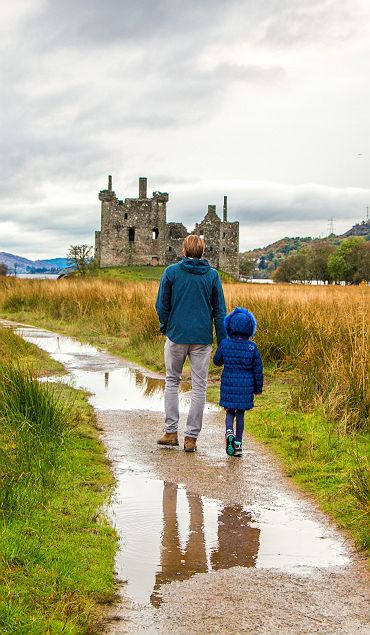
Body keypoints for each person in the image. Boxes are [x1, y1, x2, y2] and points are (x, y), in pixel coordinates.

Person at [155, 235, 226, 452]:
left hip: (176, 335)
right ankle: (191, 438)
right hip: (202, 338)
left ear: (184, 251)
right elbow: (220, 311)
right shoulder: (212, 276)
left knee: (172, 381)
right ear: (202, 252)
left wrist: (166, 326)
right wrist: (222, 342)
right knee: (199, 387)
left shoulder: (172, 272)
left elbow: (161, 305)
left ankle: (170, 432)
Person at [213, 307, 263, 457]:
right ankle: (238, 445)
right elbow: (257, 370)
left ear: (229, 326)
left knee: (229, 412)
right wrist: (258, 389)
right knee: (240, 414)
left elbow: (217, 361)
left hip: (228, 384)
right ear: (250, 328)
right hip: (245, 387)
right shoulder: (252, 347)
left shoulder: (225, 344)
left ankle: (229, 433)